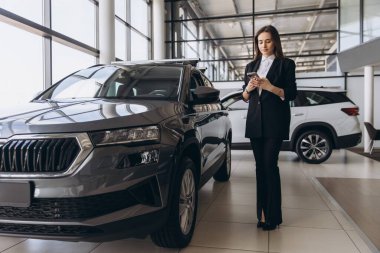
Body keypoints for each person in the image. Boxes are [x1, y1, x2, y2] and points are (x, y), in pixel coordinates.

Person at [242, 25, 297, 231]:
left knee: (269, 166)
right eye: (260, 41)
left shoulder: (286, 64)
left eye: (267, 41)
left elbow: (291, 93)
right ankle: (262, 214)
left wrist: (269, 87)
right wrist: (249, 88)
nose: (263, 45)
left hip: (275, 122)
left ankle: (273, 217)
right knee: (259, 168)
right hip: (255, 122)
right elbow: (245, 97)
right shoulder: (251, 65)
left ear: (275, 42)